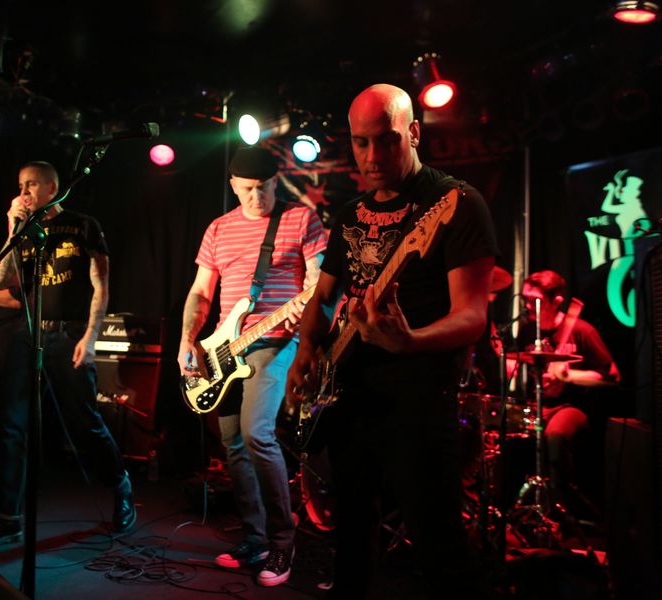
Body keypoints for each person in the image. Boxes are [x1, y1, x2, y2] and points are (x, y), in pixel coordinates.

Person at [286, 84, 498, 598]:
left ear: (414, 133)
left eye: (387, 140)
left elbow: (473, 316)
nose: (373, 156)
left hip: (418, 398)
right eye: (361, 143)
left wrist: (411, 341)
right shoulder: (351, 214)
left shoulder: (454, 203)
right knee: (351, 537)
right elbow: (324, 296)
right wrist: (307, 349)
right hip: (349, 396)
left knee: (439, 545)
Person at [0, 160, 135, 548]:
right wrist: (12, 228)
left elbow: (101, 285)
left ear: (52, 189)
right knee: (11, 425)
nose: (24, 192)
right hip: (29, 332)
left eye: (32, 185)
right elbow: (0, 282)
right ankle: (8, 518)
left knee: (84, 423)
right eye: (21, 185)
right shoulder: (23, 233)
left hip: (68, 333)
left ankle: (120, 486)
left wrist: (91, 337)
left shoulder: (82, 225)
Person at [178, 146, 327, 587]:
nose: (256, 197)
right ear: (233, 185)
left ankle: (283, 541)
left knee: (256, 433)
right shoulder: (218, 228)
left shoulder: (300, 219)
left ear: (276, 181)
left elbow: (319, 283)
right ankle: (255, 538)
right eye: (246, 189)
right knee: (232, 443)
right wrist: (188, 340)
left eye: (263, 188)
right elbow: (201, 291)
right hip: (225, 349)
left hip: (276, 340)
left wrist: (307, 309)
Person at [511, 269, 620, 511]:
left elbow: (612, 376)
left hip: (572, 406)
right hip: (537, 404)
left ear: (556, 301)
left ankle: (560, 509)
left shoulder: (581, 330)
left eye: (535, 300)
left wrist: (570, 376)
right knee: (500, 431)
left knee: (555, 435)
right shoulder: (528, 329)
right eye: (525, 299)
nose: (527, 306)